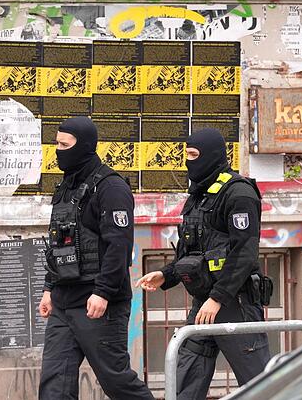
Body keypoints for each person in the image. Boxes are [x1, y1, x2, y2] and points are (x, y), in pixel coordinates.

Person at [136, 128, 272, 400]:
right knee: (184, 380)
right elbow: (192, 253)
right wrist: (166, 275)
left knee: (260, 386)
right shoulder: (199, 196)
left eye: (194, 155)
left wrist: (218, 298)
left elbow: (244, 253)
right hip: (205, 304)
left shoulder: (239, 193)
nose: (189, 161)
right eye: (186, 155)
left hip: (236, 303)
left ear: (211, 155)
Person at [38, 116, 154, 400]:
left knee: (117, 383)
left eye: (65, 145)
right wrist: (48, 288)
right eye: (57, 144)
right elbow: (59, 242)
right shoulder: (66, 187)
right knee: (54, 386)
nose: (58, 150)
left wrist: (102, 292)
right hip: (64, 302)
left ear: (85, 146)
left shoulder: (111, 187)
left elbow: (119, 246)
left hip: (98, 303)